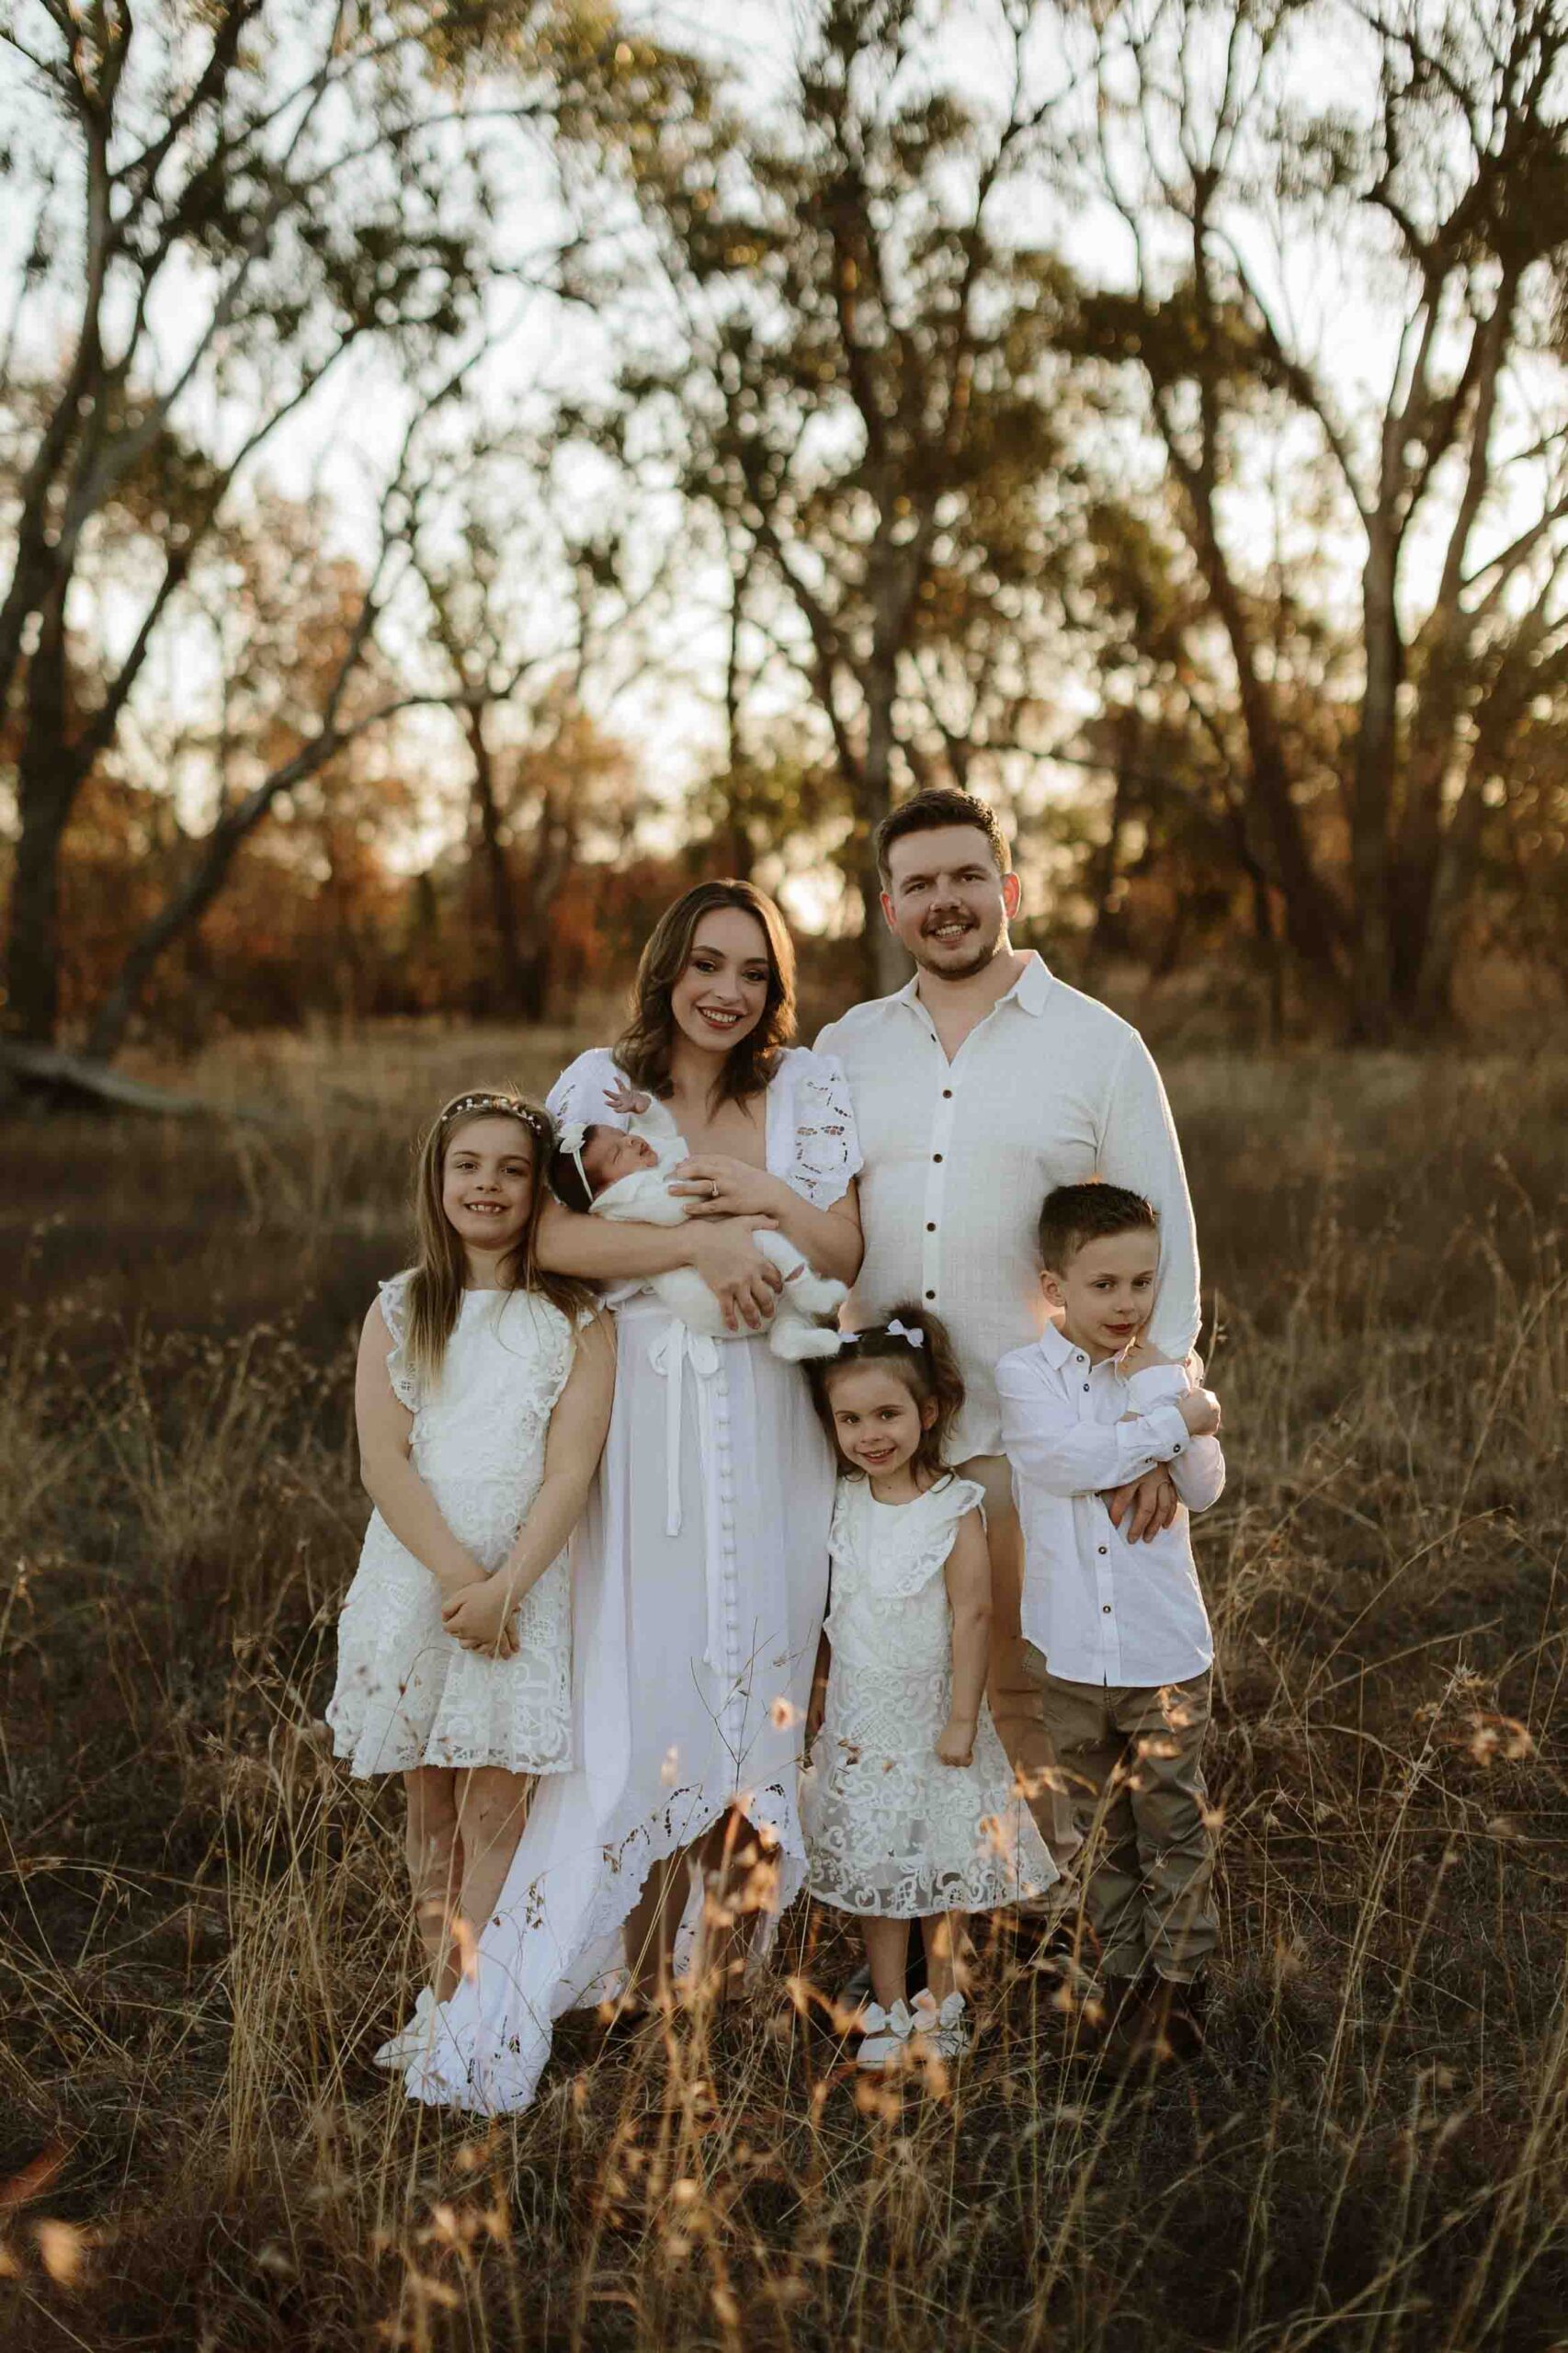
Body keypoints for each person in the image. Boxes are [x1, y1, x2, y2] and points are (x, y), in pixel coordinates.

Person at [403, 882, 862, 2114]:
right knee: (636, 1684)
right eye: (705, 964)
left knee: (756, 1688)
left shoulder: (803, 1086)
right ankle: (583, 1975)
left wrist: (755, 1210)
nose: (726, 990)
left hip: (772, 1423)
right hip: (643, 1425)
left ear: (774, 989)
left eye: (752, 973)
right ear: (666, 969)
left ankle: (703, 1993)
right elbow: (546, 1240)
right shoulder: (596, 1086)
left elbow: (842, 1252)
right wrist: (692, 1247)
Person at [815, 787, 1201, 1877]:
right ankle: (923, 1898)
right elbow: (814, 1226)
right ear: (889, 906)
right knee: (889, 1681)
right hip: (885, 1436)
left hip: (1031, 1428)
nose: (946, 902)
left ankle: (1053, 1907)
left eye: (965, 877)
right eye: (920, 883)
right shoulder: (845, 1049)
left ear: (1008, 889)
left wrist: (1159, 1429)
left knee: (1031, 1683)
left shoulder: (1097, 1045)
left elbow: (1162, 1246)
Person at [327, 1089, 614, 2063]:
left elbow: (572, 1466)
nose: (487, 1185)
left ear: (541, 1191)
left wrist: (507, 1586)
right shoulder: (401, 1306)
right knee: (433, 1805)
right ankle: (436, 1990)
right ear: (437, 1180)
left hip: (526, 1581)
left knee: (498, 1805)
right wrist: (460, 1581)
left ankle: (476, 2010)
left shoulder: (575, 1315)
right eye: (468, 1166)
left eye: (511, 1170)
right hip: (423, 1578)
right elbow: (384, 1462)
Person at [996, 1182, 1224, 2062]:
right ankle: (1127, 1976)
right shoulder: (1027, 1377)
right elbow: (1066, 1460)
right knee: (1104, 1834)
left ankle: (1180, 1987)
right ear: (1055, 1287)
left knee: (1171, 1820)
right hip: (1071, 1657)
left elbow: (1205, 1487)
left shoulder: (1166, 1369)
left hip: (1164, 1650)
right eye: (1104, 1286)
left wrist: (1179, 1413)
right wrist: (1177, 1421)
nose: (1126, 1305)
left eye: (1141, 1284)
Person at [802, 1312, 1056, 2071]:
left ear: (929, 1413)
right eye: (850, 1419)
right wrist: (818, 1696)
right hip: (860, 1718)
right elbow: (828, 1611)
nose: (870, 1434)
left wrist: (960, 1718)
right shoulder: (840, 1501)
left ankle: (939, 2004)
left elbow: (974, 1615)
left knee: (939, 1867)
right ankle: (884, 2006)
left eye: (887, 1414)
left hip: (932, 1719)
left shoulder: (955, 1508)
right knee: (879, 1875)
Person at [547, 1085, 847, 1360]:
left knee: (777, 1300)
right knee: (763, 1236)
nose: (632, 1140)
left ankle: (788, 1336)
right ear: (602, 1192)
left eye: (622, 1135)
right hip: (707, 1295)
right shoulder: (627, 1200)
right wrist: (699, 1181)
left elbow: (662, 1134)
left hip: (728, 1292)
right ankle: (805, 1286)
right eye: (617, 1153)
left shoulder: (640, 1174)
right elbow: (678, 1208)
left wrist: (646, 1109)